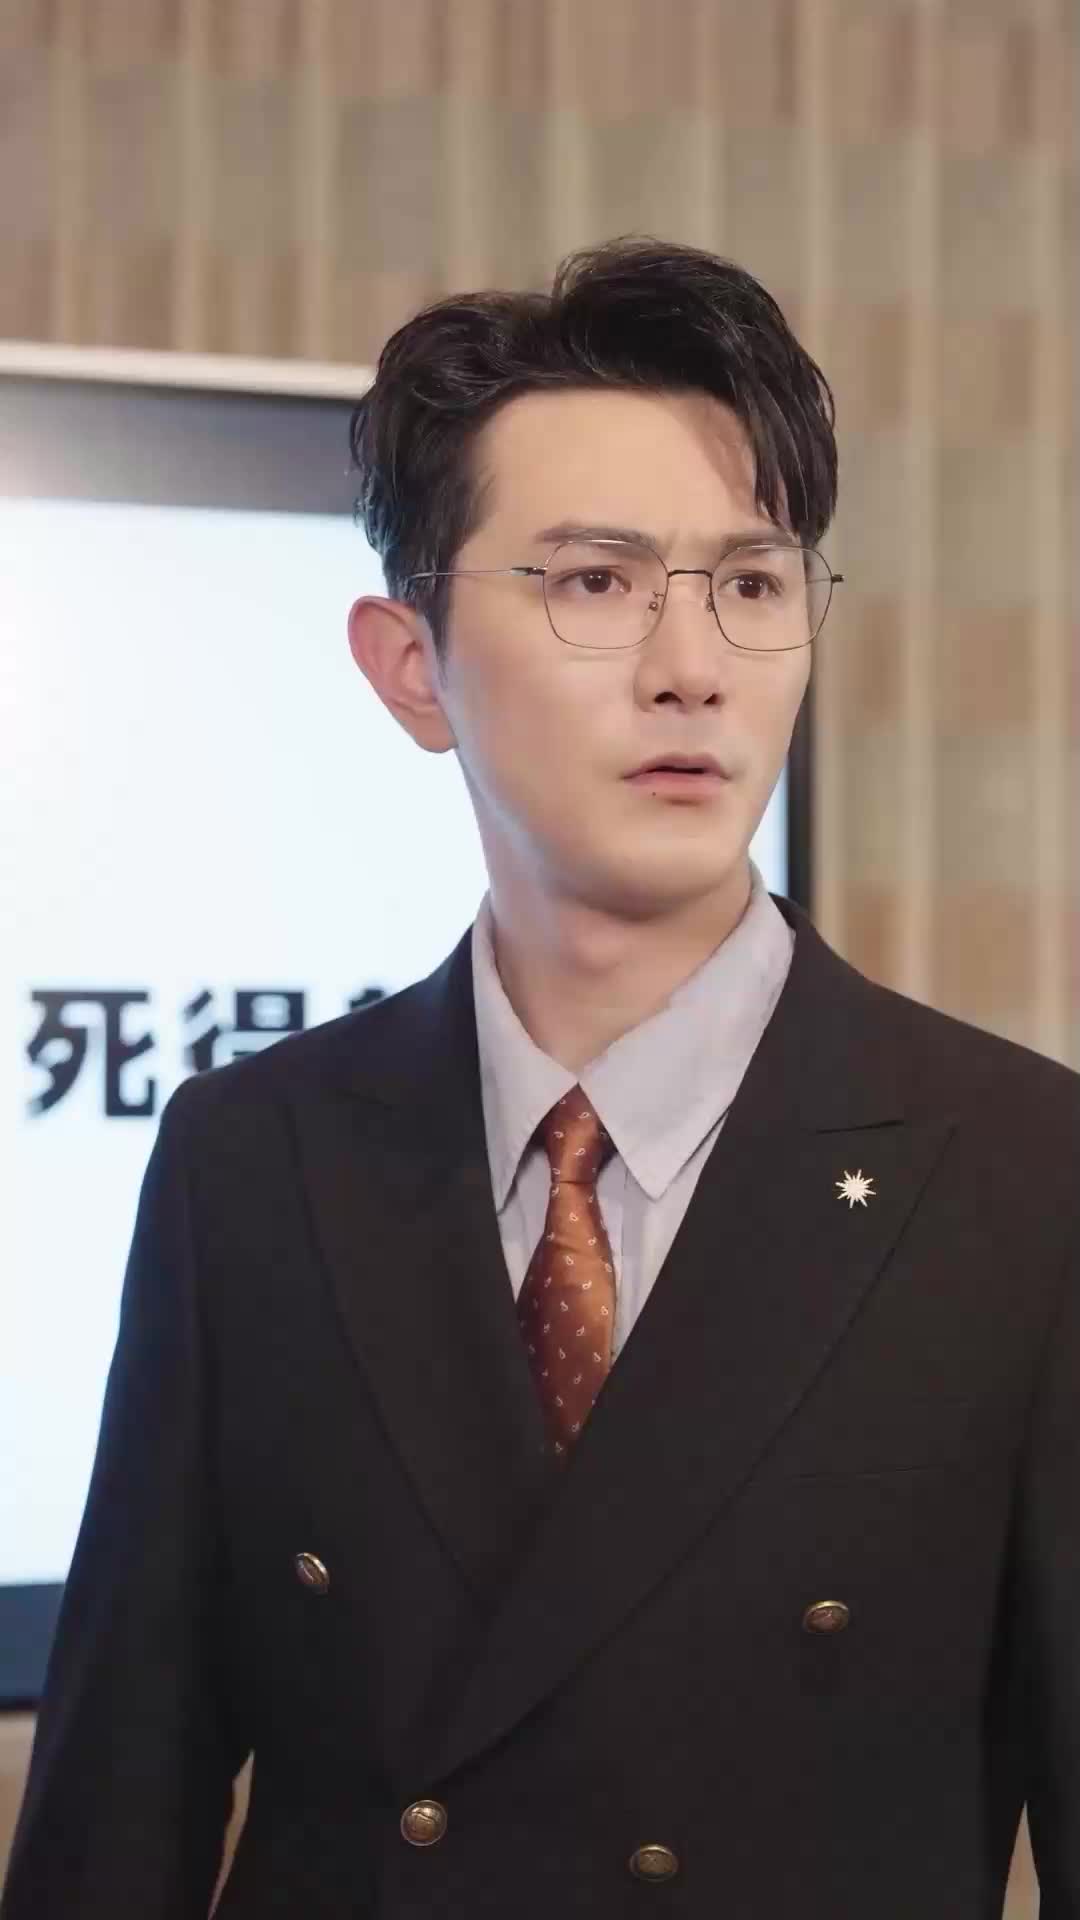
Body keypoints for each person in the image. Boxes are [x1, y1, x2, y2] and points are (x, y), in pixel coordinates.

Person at [3, 237, 1078, 1920]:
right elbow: (115, 1823)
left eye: (752, 585)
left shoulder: (1022, 1176)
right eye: (595, 581)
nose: (691, 665)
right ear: (409, 665)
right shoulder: (253, 1160)